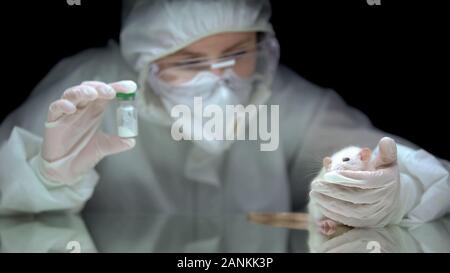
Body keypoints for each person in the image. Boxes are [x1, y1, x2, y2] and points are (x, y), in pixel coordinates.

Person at [0, 0, 448, 228]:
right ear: (143, 61)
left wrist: (396, 189)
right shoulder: (91, 89)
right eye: (188, 62)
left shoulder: (287, 100)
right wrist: (44, 177)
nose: (222, 78)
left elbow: (385, 160)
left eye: (238, 53)